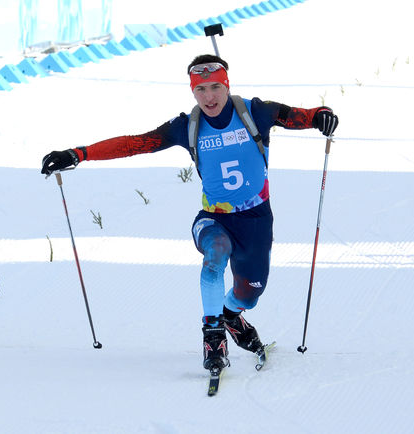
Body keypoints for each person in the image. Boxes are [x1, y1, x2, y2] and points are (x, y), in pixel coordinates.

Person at [41, 54, 338, 373]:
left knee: (249, 292)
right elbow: (135, 143)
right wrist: (78, 154)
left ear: (226, 85)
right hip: (214, 219)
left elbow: (302, 116)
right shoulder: (187, 126)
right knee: (215, 255)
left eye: (214, 87)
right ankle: (213, 337)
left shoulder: (256, 112)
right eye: (200, 90)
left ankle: (230, 314)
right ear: (193, 91)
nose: (209, 97)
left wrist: (322, 116)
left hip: (256, 220)